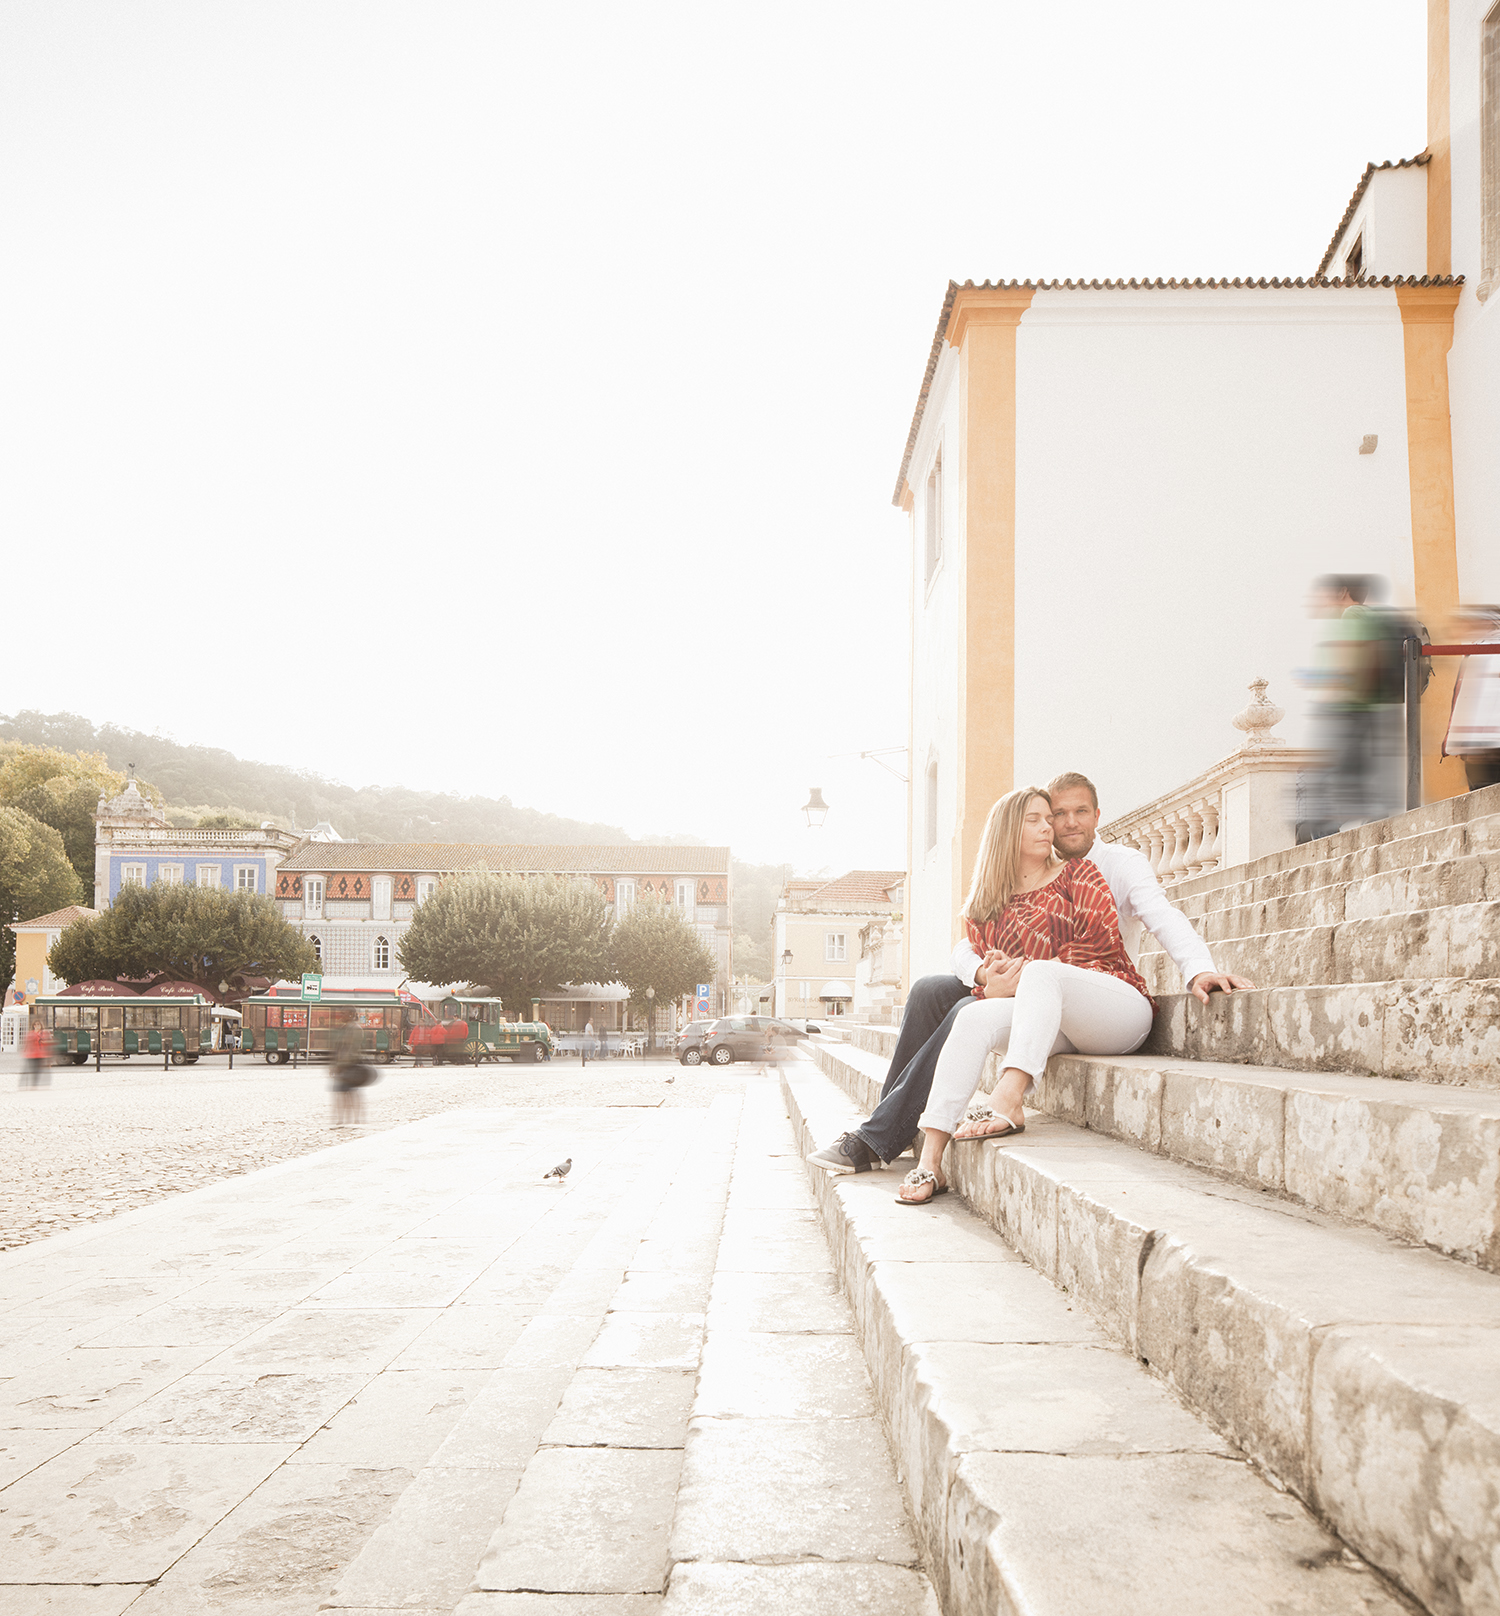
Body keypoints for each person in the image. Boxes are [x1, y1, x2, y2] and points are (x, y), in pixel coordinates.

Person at [808, 771, 1251, 1178]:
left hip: (1098, 992)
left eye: (1078, 813)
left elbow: (1160, 915)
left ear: (1097, 816)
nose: (1065, 823)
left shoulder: (1109, 866)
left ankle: (882, 1134)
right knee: (929, 990)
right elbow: (969, 943)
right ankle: (893, 1123)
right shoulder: (1022, 877)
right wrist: (985, 975)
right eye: (1056, 815)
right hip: (1035, 992)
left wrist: (1199, 969)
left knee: (970, 1004)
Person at [1442, 605, 1500, 791]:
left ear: (1489, 623)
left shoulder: (1488, 652)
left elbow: (1483, 699)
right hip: (1482, 747)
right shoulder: (1477, 650)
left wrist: (1464, 740)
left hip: (1486, 748)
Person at [20, 1022, 51, 1089]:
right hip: (31, 1054)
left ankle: (34, 1085)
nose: (37, 1026)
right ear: (33, 1026)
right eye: (35, 1025)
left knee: (38, 1070)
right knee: (30, 1070)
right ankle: (25, 1084)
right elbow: (27, 1043)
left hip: (40, 1054)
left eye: (38, 1024)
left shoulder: (44, 1033)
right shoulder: (31, 1033)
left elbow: (49, 1043)